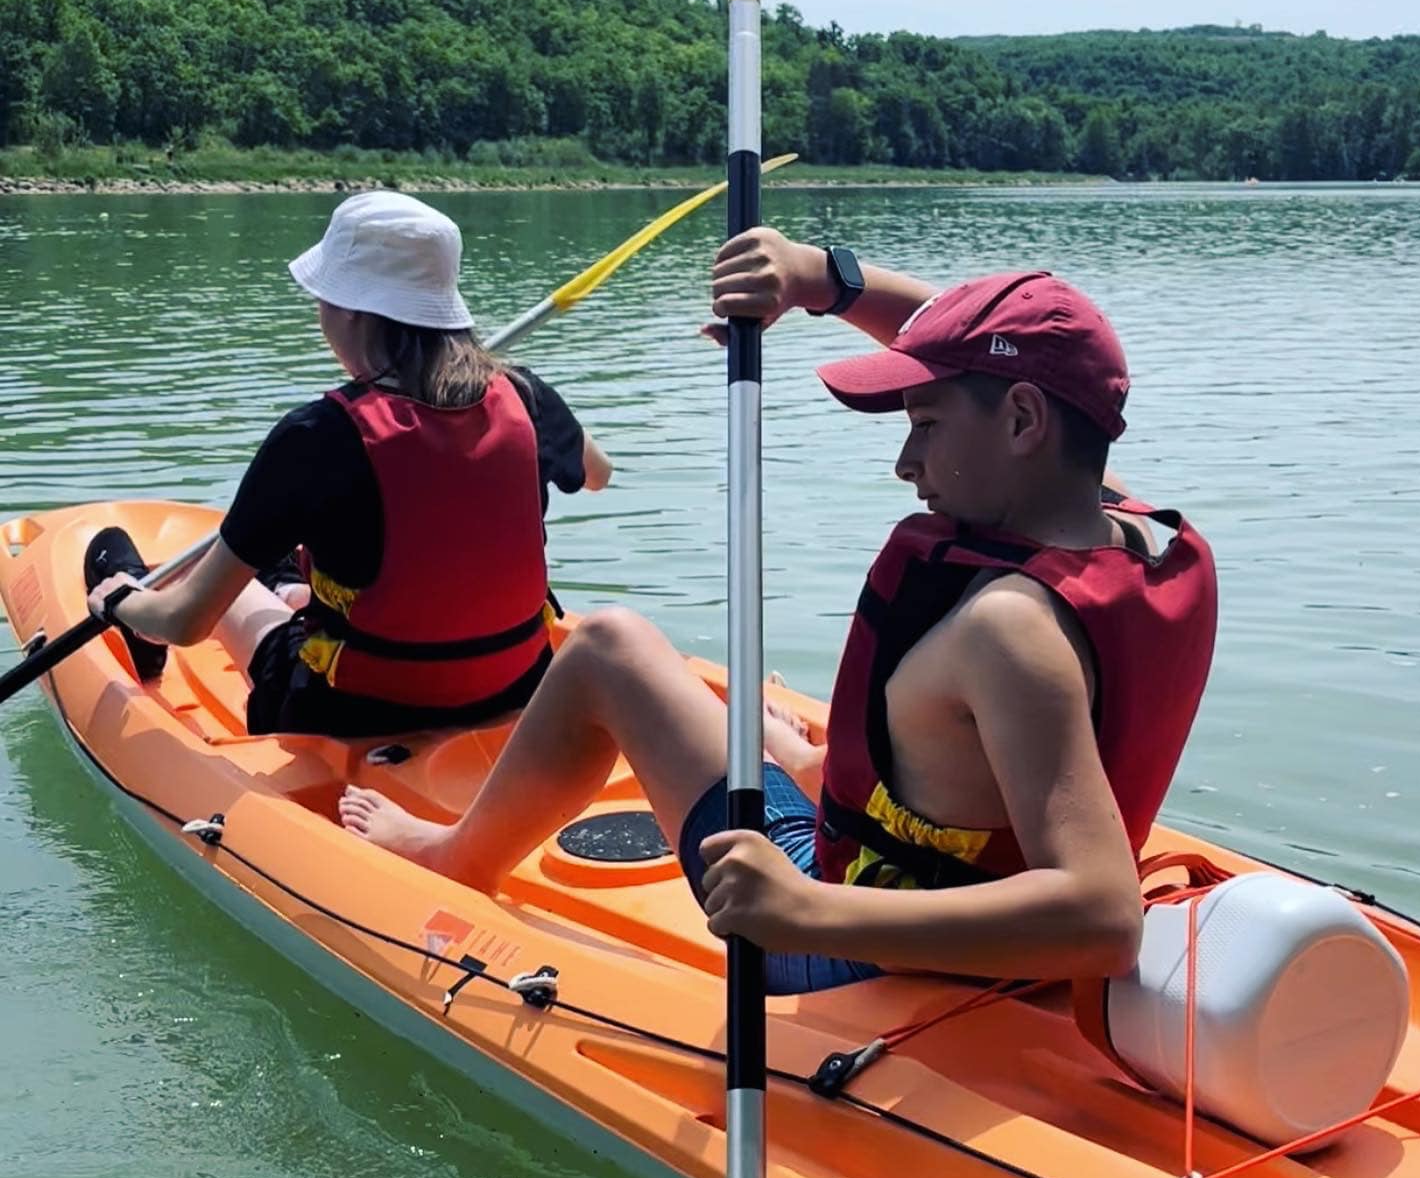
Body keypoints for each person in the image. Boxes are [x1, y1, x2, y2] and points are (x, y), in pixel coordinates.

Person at [338, 227, 1217, 991]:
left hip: (854, 943)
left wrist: (803, 910)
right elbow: (989, 349)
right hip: (947, 875)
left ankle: (450, 857)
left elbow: (1103, 918)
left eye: (926, 424)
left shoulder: (1011, 630)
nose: (905, 464)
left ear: (1025, 420)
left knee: (608, 645)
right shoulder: (1134, 529)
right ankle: (803, 757)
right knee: (769, 727)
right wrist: (817, 280)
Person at [86, 191, 612, 738]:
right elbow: (598, 474)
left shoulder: (315, 436)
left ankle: (141, 628)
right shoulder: (525, 396)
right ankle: (293, 588)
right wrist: (536, 403)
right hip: (516, 685)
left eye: (322, 298)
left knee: (226, 589)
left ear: (353, 309)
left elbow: (187, 622)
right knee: (321, 578)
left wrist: (122, 602)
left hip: (352, 709)